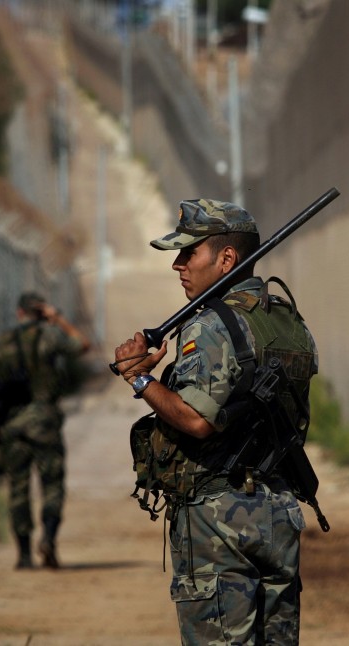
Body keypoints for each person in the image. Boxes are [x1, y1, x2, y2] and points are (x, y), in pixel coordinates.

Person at [113, 198, 319, 644]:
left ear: (227, 258)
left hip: (219, 519)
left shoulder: (211, 325)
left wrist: (141, 378)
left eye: (190, 253)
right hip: (278, 511)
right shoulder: (288, 322)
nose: (178, 265)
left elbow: (196, 419)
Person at [0, 292, 90, 570]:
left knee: (18, 489)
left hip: (12, 423)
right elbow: (82, 345)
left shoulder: (2, 342)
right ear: (41, 313)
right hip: (44, 421)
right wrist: (59, 320)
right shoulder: (50, 335)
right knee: (52, 484)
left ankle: (23, 555)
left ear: (20, 313)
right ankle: (49, 539)